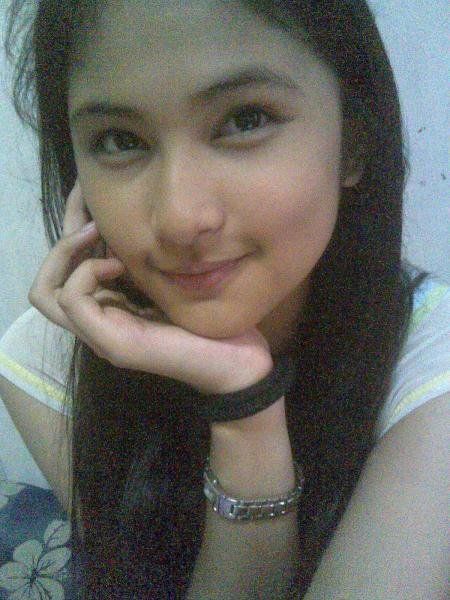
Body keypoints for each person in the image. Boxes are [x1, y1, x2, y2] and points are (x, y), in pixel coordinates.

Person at [0, 0, 448, 598]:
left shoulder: (432, 367)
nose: (180, 218)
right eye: (119, 139)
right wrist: (246, 418)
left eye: (245, 119)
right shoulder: (45, 359)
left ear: (354, 144)